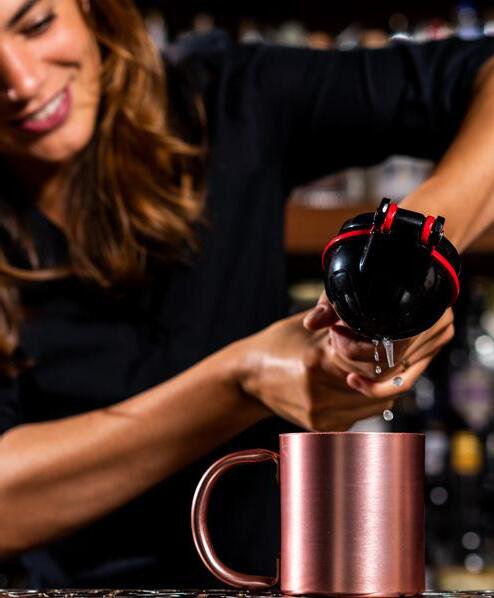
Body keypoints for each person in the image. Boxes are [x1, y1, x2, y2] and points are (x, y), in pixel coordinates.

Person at [0, 0, 479, 589]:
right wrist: (241, 381)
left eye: (36, 24)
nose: (22, 83)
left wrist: (410, 261)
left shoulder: (227, 100)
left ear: (90, 11)